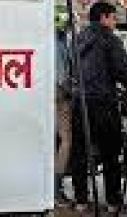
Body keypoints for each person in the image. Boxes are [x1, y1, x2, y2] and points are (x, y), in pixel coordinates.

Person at [71, 1, 127, 215]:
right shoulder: (109, 38)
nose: (115, 22)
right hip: (103, 103)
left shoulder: (79, 38)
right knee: (110, 153)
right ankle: (113, 201)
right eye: (114, 18)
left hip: (79, 102)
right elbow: (122, 69)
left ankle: (81, 201)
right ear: (104, 17)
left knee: (80, 153)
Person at [54, 28, 72, 206]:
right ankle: (56, 189)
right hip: (58, 96)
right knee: (66, 140)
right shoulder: (58, 43)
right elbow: (61, 78)